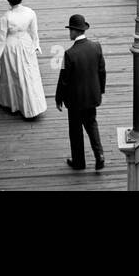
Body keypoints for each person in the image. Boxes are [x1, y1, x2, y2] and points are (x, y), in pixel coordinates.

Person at [0, 0, 47, 120]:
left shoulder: (6, 17)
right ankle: (33, 104)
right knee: (28, 73)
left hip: (11, 46)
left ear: (8, 0)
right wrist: (36, 45)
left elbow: (1, 38)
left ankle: (12, 103)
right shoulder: (30, 12)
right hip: (26, 43)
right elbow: (34, 32)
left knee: (12, 74)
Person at [56, 13, 107, 172]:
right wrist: (100, 90)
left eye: (70, 30)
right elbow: (102, 71)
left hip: (75, 101)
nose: (69, 33)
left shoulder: (69, 54)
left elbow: (64, 79)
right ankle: (99, 156)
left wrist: (59, 98)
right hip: (92, 96)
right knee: (92, 125)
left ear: (74, 31)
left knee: (76, 130)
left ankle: (79, 162)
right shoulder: (96, 47)